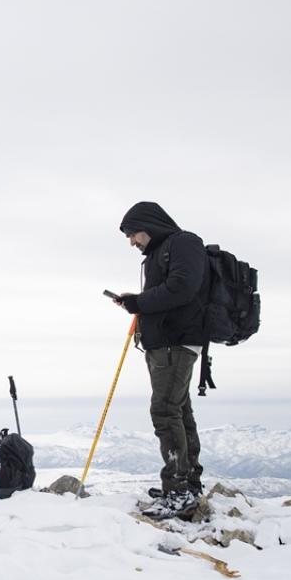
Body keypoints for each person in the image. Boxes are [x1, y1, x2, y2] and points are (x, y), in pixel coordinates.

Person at [113, 201, 208, 519]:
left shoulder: (184, 242)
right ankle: (189, 484)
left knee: (165, 411)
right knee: (179, 411)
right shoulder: (161, 252)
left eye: (132, 234)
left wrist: (140, 301)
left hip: (176, 343)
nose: (131, 242)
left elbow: (182, 287)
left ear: (148, 225)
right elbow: (167, 292)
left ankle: (179, 491)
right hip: (164, 344)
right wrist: (135, 302)